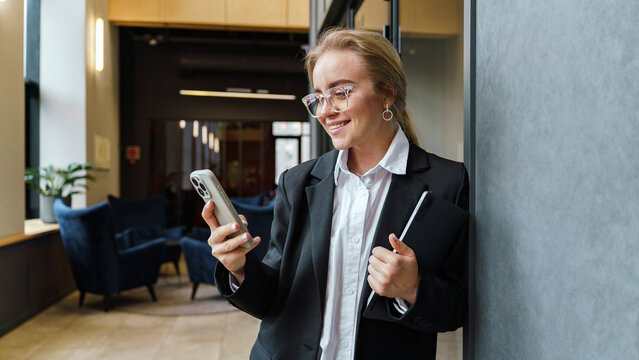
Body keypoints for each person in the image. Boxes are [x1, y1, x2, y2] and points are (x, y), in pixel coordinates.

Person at [202, 29, 469, 360]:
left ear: (387, 93)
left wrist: (413, 289)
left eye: (340, 92)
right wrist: (239, 267)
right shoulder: (297, 182)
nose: (325, 111)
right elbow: (272, 298)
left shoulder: (446, 183)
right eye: (317, 98)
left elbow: (458, 307)